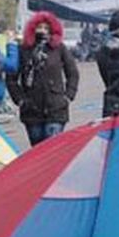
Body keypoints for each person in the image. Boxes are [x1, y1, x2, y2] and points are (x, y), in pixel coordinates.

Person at [11, 11, 80, 145]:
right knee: (37, 150)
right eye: (39, 27)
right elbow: (12, 78)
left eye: (46, 28)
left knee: (52, 150)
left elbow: (72, 73)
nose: (42, 31)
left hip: (56, 109)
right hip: (31, 110)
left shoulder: (59, 48)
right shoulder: (24, 49)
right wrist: (20, 100)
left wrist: (68, 96)